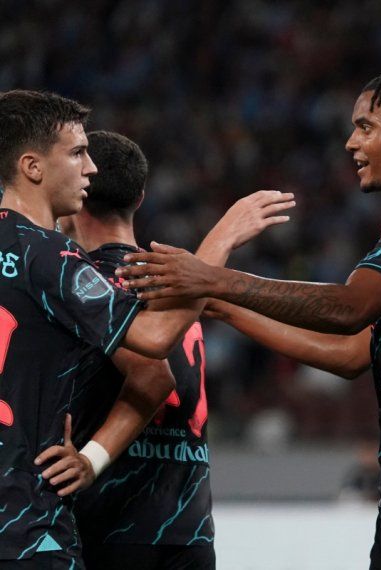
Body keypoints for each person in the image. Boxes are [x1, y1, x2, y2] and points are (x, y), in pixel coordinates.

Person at [118, 71, 381, 570]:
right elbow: (353, 354)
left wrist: (213, 279)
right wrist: (223, 306)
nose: (351, 141)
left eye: (366, 126)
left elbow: (348, 309)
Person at [0, 90, 292, 568]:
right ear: (33, 167)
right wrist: (222, 238)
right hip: (38, 530)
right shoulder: (52, 257)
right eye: (77, 153)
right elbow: (156, 347)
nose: (89, 168)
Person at [60, 131, 237, 569]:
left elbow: (153, 375)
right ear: (140, 198)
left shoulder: (72, 283)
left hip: (106, 526)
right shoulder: (181, 283)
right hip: (189, 529)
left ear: (77, 193)